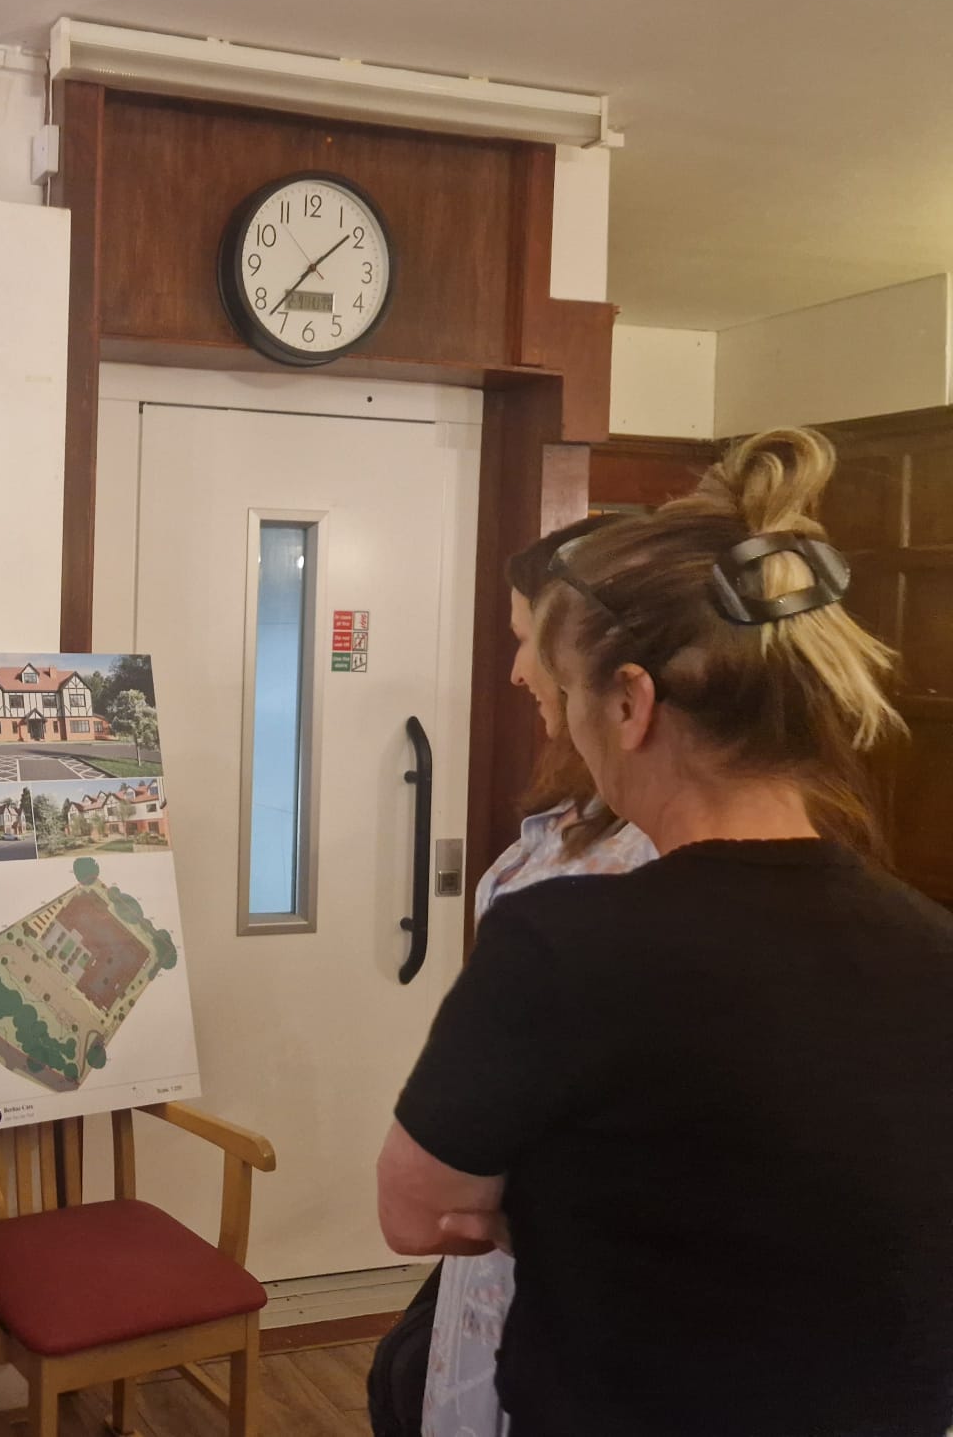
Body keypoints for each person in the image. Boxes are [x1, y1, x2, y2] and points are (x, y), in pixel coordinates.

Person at [379, 427, 953, 1437]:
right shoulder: (927, 944)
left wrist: (563, 1208)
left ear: (630, 702)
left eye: (563, 687)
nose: (549, 708)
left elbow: (417, 1211)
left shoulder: (565, 943)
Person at [366, 516, 655, 1437]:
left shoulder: (624, 879)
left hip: (563, 1269)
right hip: (510, 1251)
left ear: (623, 691)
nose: (517, 671)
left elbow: (417, 1204)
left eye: (529, 641)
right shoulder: (579, 824)